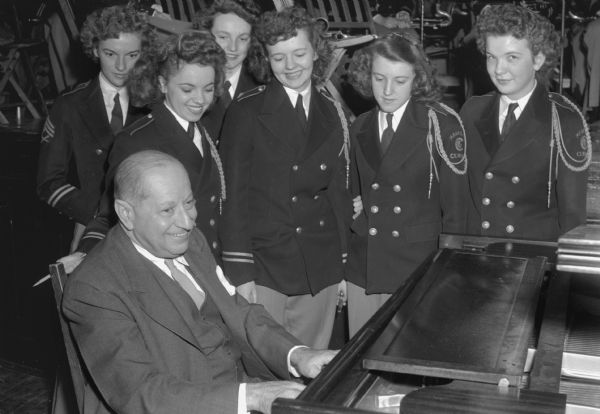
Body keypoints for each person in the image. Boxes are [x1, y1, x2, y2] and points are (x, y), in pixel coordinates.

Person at [62, 150, 337, 414]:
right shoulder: (94, 287)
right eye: (168, 210)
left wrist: (298, 355)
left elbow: (239, 313)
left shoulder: (191, 243)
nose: (187, 221)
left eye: (190, 203)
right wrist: (252, 397)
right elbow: (139, 394)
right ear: (126, 214)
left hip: (236, 394)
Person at [218, 6, 352, 349]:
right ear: (266, 58)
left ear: (316, 52)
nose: (291, 66)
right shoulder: (246, 111)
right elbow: (232, 197)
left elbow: (337, 195)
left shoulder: (332, 111)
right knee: (264, 369)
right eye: (279, 57)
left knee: (312, 369)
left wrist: (342, 268)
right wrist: (240, 273)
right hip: (265, 265)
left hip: (320, 266)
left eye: (299, 54)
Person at [345, 32, 468, 337]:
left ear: (417, 79)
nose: (387, 91)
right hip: (365, 267)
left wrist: (449, 275)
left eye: (400, 81)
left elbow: (457, 211)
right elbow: (352, 192)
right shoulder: (359, 125)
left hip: (418, 268)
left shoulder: (440, 124)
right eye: (378, 78)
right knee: (359, 364)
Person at [73, 30, 226, 268]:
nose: (199, 99)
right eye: (187, 89)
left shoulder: (208, 126)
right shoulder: (136, 140)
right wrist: (85, 254)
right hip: (169, 269)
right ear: (163, 83)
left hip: (211, 263)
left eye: (207, 89)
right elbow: (111, 214)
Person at [460, 4, 591, 241]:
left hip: (531, 259)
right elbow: (461, 199)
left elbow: (572, 218)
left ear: (538, 59)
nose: (499, 70)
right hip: (476, 255)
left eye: (512, 57)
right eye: (491, 57)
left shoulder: (563, 121)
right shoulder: (472, 111)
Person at [37, 5, 155, 252]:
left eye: (132, 55)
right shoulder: (69, 105)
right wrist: (99, 213)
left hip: (149, 229)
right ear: (94, 50)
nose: (121, 66)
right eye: (110, 54)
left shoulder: (155, 104)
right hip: (92, 227)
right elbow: (49, 182)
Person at [193, 0, 262, 139]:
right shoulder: (188, 84)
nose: (233, 48)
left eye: (242, 39)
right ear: (206, 35)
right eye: (223, 37)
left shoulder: (263, 85)